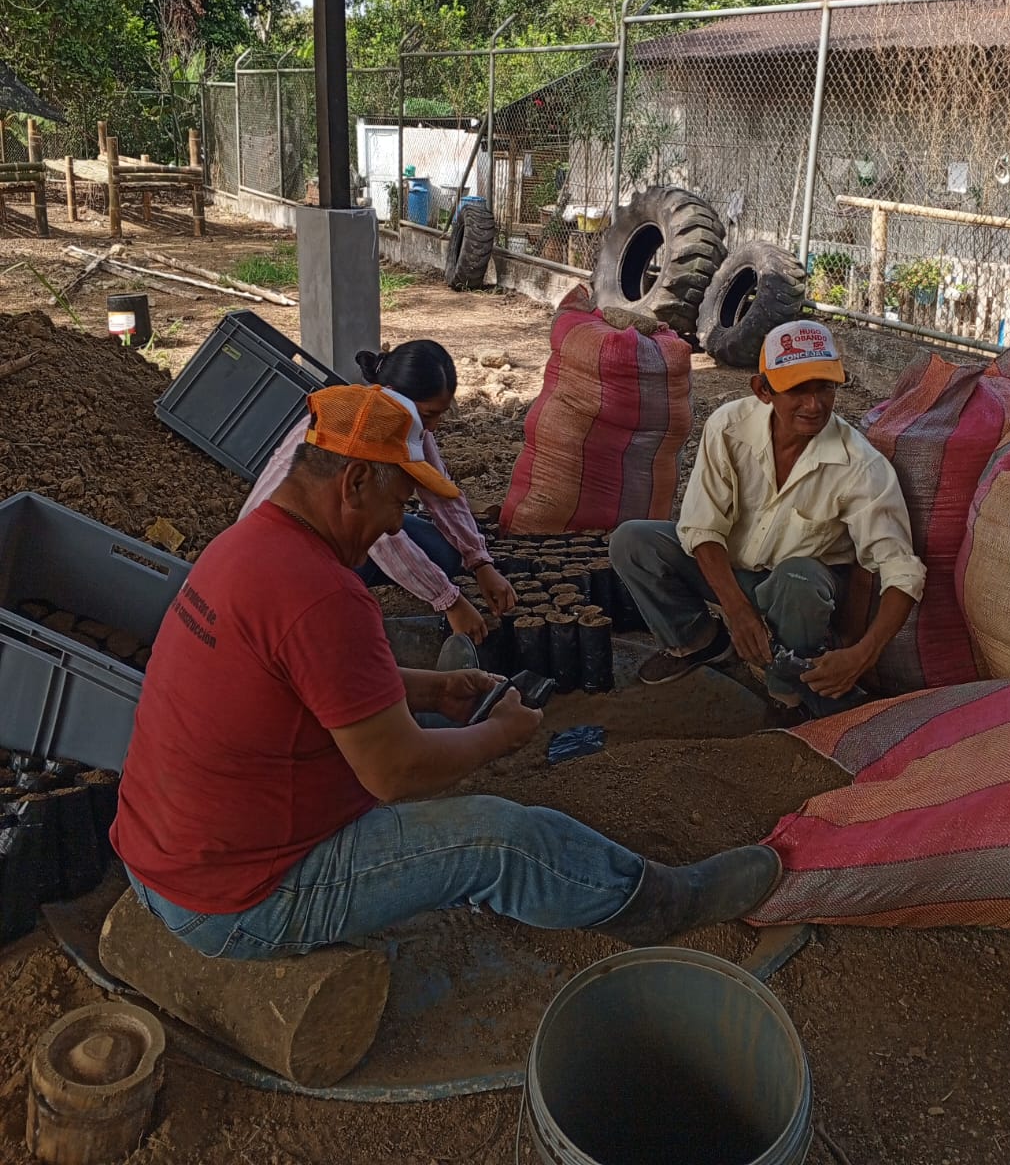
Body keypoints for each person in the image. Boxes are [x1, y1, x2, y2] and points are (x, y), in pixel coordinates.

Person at [111, 384, 780, 960]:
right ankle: (661, 904)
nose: (392, 526)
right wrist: (500, 736)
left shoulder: (243, 547)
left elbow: (301, 680)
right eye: (398, 504)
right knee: (502, 840)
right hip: (241, 901)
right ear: (354, 482)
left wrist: (433, 689)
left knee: (427, 761)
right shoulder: (320, 593)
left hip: (166, 860)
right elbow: (395, 771)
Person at [610, 320, 925, 717]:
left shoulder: (861, 465)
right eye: (798, 390)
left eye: (825, 388)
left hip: (800, 591)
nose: (814, 405)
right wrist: (737, 611)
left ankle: (789, 691)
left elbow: (901, 570)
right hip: (735, 571)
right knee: (633, 541)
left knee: (798, 577)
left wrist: (863, 654)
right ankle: (698, 641)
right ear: (763, 390)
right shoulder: (728, 427)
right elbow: (703, 527)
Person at [243, 339, 515, 642]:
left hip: (330, 527)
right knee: (340, 597)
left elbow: (442, 494)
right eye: (429, 415)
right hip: (286, 552)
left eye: (440, 414)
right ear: (399, 398)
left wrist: (479, 561)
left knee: (442, 554)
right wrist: (448, 600)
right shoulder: (359, 433)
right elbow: (384, 540)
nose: (435, 426)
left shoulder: (405, 421)